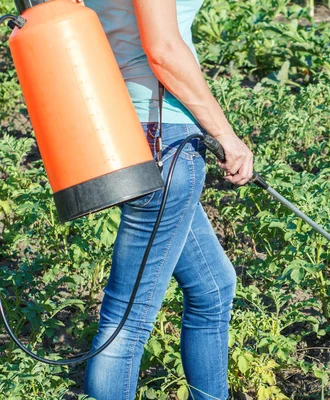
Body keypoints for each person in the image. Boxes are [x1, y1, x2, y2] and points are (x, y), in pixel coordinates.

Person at [82, 0, 253, 399]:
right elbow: (162, 48)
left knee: (213, 288)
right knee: (127, 321)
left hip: (116, 124)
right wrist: (226, 136)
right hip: (162, 137)